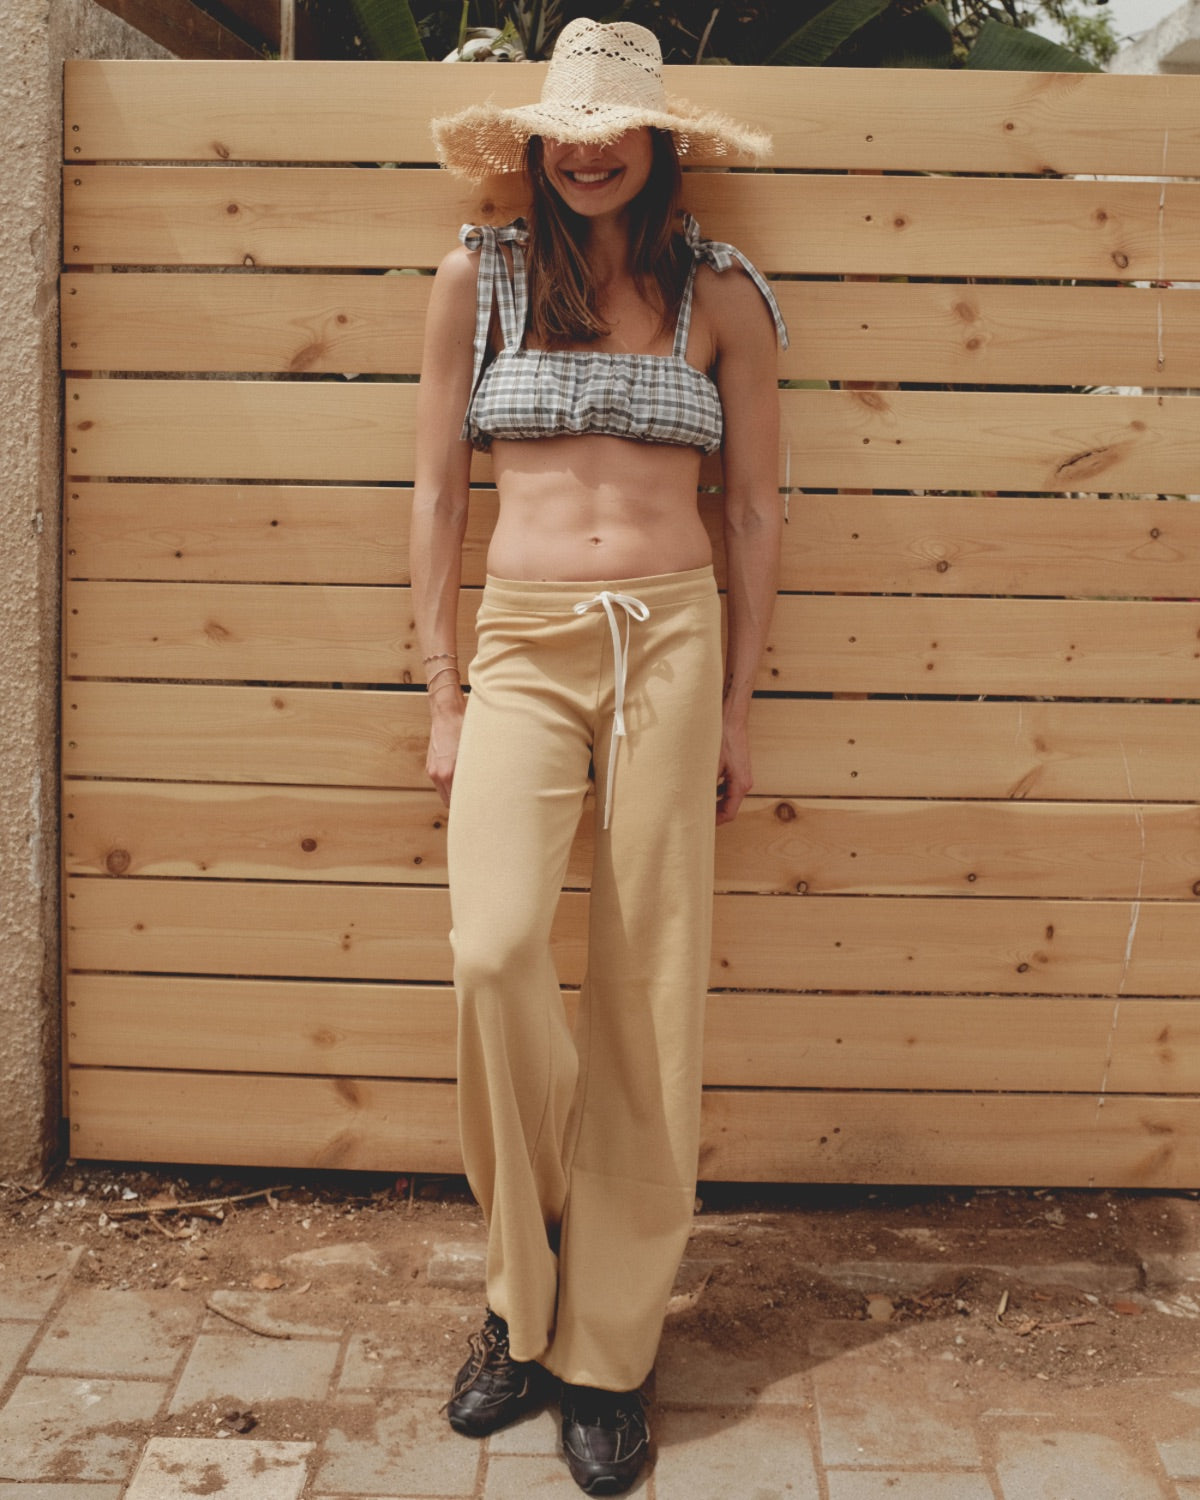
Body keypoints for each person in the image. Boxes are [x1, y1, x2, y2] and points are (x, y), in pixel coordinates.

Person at [411, 17, 787, 1495]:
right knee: (495, 949)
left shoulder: (721, 294)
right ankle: (524, 1296)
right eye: (563, 132)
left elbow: (751, 511)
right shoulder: (477, 278)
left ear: (655, 142)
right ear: (534, 144)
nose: (585, 153)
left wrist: (738, 705)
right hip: (519, 648)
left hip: (672, 646)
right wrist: (442, 690)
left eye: (610, 130)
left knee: (650, 988)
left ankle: (609, 1353)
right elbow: (438, 495)